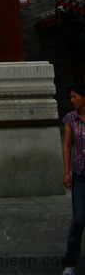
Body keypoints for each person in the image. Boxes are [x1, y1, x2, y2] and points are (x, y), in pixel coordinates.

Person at [62, 83, 85, 275]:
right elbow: (67, 145)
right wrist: (66, 172)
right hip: (80, 175)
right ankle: (70, 261)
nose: (72, 100)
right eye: (71, 97)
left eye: (75, 96)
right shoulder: (71, 118)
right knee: (79, 219)